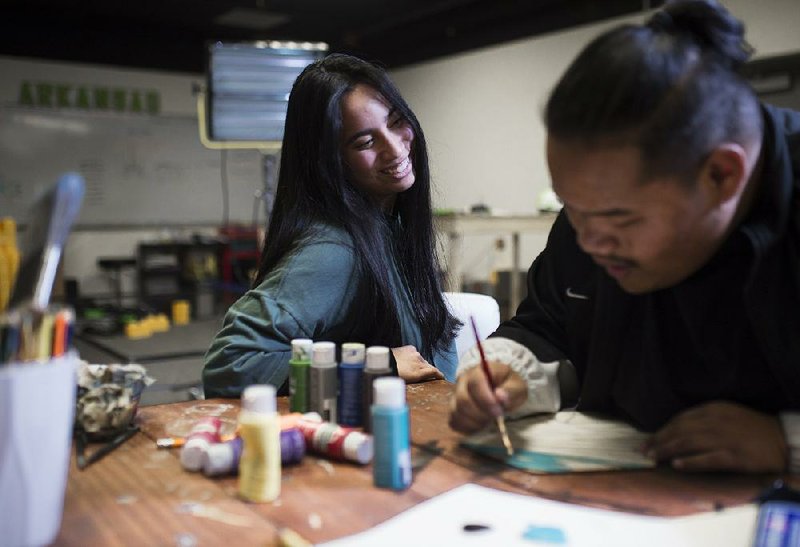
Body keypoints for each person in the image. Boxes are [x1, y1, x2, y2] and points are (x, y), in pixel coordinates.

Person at [449, 0, 800, 474]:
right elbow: (548, 326)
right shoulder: (591, 220)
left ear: (721, 175)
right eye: (573, 208)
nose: (591, 243)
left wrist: (784, 442)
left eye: (620, 219)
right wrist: (513, 373)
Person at [203, 54, 460, 398]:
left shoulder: (390, 224)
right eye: (365, 142)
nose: (395, 147)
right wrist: (378, 364)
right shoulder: (333, 252)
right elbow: (230, 363)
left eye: (397, 121)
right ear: (331, 160)